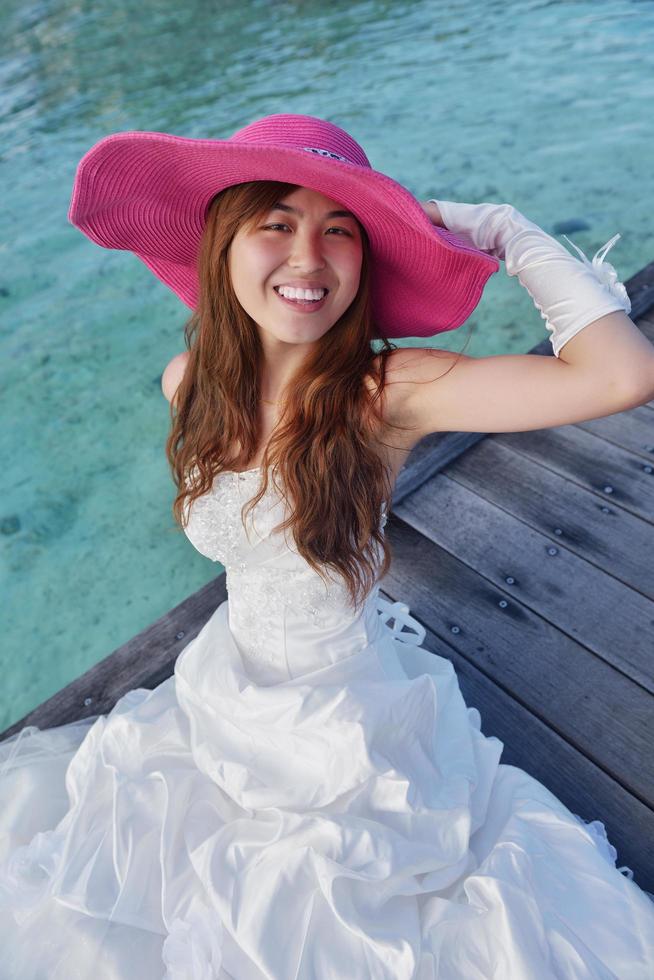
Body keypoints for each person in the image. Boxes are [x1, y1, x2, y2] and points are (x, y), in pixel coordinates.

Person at [1, 113, 653, 979]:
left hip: (338, 724)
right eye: (277, 223)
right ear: (222, 246)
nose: (309, 258)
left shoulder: (383, 393)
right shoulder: (187, 383)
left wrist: (508, 230)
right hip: (223, 685)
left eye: (338, 230)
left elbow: (620, 376)